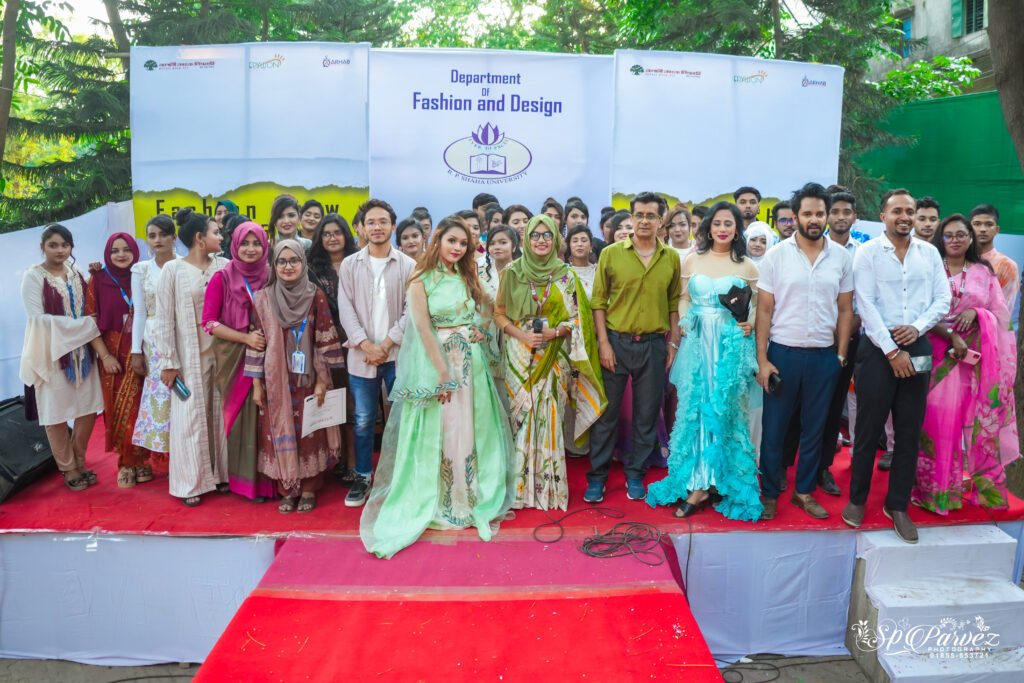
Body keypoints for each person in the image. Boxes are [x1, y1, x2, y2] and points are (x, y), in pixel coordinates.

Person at [360, 216, 515, 558]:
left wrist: (480, 328)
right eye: (452, 241)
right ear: (438, 241)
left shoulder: (468, 275)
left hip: (471, 364)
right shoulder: (421, 279)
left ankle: (468, 498)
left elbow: (490, 306)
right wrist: (442, 372)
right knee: (442, 430)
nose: (457, 248)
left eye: (463, 243)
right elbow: (423, 328)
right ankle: (441, 500)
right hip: (438, 366)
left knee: (471, 429)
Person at [843, 189, 951, 543]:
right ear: (883, 216)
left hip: (917, 344)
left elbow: (942, 299)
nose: (905, 217)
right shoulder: (868, 253)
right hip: (877, 349)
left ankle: (898, 505)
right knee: (868, 429)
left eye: (910, 211)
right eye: (897, 211)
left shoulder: (929, 253)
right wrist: (892, 351)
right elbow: (865, 304)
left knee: (909, 429)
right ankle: (857, 499)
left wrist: (917, 328)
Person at [646, 202, 762, 520]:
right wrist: (686, 321)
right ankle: (698, 481)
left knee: (726, 409)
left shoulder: (748, 266)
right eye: (717, 223)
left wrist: (750, 322)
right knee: (696, 409)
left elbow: (757, 305)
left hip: (729, 345)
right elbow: (683, 298)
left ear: (737, 229)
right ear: (709, 227)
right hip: (698, 343)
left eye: (729, 223)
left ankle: (718, 479)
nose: (722, 229)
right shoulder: (692, 259)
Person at [756, 183, 854, 521]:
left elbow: (845, 309)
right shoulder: (776, 255)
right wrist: (762, 360)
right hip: (782, 354)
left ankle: (804, 492)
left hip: (824, 356)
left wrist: (840, 354)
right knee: (775, 428)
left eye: (819, 213)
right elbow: (764, 310)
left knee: (815, 428)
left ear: (827, 216)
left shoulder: (841, 258)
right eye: (807, 213)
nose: (814, 219)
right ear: (795, 216)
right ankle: (770, 493)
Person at [495, 215, 605, 510]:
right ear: (526, 239)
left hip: (554, 353)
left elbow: (577, 319)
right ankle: (518, 489)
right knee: (521, 416)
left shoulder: (567, 276)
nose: (541, 240)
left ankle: (547, 489)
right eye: (535, 235)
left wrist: (554, 332)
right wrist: (523, 336)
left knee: (550, 415)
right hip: (519, 352)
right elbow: (499, 314)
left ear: (556, 240)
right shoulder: (512, 272)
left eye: (547, 235)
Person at [912, 215, 1018, 514]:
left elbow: (1000, 317)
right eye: (949, 235)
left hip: (974, 360)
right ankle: (936, 492)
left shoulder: (984, 272)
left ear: (970, 238)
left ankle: (982, 490)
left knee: (977, 423)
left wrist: (976, 313)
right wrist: (950, 334)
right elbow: (918, 311)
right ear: (940, 239)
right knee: (935, 424)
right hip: (935, 355)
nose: (955, 239)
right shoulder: (930, 268)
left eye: (961, 234)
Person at [586, 192, 681, 504]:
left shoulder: (670, 257)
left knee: (646, 414)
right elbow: (598, 302)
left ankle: (636, 474)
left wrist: (672, 343)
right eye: (638, 215)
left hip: (654, 345)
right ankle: (597, 478)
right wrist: (603, 343)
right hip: (616, 342)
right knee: (607, 415)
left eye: (651, 216)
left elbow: (673, 303)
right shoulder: (611, 254)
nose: (644, 221)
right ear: (631, 217)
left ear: (660, 221)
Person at [246, 240, 343, 513]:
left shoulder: (314, 295)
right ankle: (287, 489)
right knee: (278, 429)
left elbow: (324, 336)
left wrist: (323, 381)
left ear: (303, 263)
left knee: (310, 430)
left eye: (294, 261)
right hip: (275, 379)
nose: (288, 267)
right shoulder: (263, 298)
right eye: (281, 261)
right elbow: (257, 342)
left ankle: (309, 488)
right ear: (274, 265)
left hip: (308, 377)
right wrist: (256, 384)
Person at [338, 198, 417, 507]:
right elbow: (345, 308)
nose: (377, 227)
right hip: (361, 357)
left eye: (383, 221)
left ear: (393, 226)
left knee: (401, 418)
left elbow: (412, 310)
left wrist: (385, 345)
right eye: (370, 222)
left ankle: (398, 477)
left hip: (397, 356)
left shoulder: (408, 265)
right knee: (363, 420)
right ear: (361, 228)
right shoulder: (350, 264)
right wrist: (366, 345)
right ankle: (362, 476)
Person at [20, 224, 104, 492]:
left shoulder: (74, 271)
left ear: (71, 247)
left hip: (83, 353)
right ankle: (68, 468)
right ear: (42, 247)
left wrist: (94, 276)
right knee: (55, 413)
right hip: (51, 354)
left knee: (88, 408)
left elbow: (86, 303)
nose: (60, 250)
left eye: (65, 245)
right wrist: (84, 326)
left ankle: (79, 460)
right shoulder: (34, 276)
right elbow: (38, 320)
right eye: (53, 245)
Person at [155, 208, 230, 506]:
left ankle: (222, 475)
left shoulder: (224, 265)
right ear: (200, 238)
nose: (220, 237)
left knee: (220, 415)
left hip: (222, 355)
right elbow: (164, 319)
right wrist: (168, 362)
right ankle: (190, 484)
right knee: (190, 418)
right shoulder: (172, 270)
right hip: (187, 358)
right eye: (215, 232)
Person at [201, 222, 276, 502]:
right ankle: (249, 485)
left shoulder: (272, 275)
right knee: (245, 420)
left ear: (265, 246)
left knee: (270, 416)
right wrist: (246, 339)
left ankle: (275, 481)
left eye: (256, 243)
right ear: (234, 245)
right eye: (245, 243)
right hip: (234, 357)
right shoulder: (221, 278)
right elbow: (209, 323)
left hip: (271, 355)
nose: (251, 249)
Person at [87, 233, 155, 488]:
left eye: (126, 249)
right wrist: (104, 355)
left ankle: (142, 460)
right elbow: (90, 321)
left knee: (143, 406)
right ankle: (125, 463)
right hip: (113, 353)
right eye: (115, 250)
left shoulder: (144, 275)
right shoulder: (98, 279)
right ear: (107, 254)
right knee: (118, 408)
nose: (121, 255)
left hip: (145, 348)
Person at [816, 190, 863, 495]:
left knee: (834, 407)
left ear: (854, 217)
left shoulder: (864, 252)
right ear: (826, 216)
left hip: (849, 338)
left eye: (847, 212)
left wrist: (846, 329)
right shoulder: (811, 247)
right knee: (803, 406)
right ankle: (785, 468)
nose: (841, 217)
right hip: (813, 337)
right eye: (835, 211)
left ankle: (822, 468)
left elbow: (866, 299)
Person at [307, 213, 358, 486]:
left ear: (346, 236)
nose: (332, 238)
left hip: (356, 342)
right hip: (324, 343)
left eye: (337, 232)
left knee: (353, 403)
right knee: (332, 399)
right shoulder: (312, 269)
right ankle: (336, 460)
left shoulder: (359, 262)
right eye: (326, 234)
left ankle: (353, 463)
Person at [130, 215, 178, 465]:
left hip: (182, 338)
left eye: (163, 234)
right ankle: (167, 458)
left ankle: (186, 456)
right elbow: (139, 312)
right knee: (161, 397)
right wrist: (136, 350)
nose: (157, 240)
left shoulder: (184, 265)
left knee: (184, 396)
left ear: (174, 237)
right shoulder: (141, 270)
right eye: (152, 236)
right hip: (153, 342)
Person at [970, 204, 1020, 325]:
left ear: (997, 229)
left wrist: (976, 314)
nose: (983, 229)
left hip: (990, 331)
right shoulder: (957, 260)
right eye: (977, 224)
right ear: (969, 229)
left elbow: (1004, 311)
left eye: (989, 224)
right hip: (952, 330)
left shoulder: (1007, 265)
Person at [479, 224, 519, 298]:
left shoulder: (522, 272)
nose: (497, 247)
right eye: (492, 243)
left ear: (514, 247)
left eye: (503, 242)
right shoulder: (480, 273)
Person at [566, 225, 597, 297]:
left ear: (591, 246)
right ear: (569, 246)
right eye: (575, 241)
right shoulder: (564, 272)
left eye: (584, 240)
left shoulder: (598, 271)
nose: (579, 244)